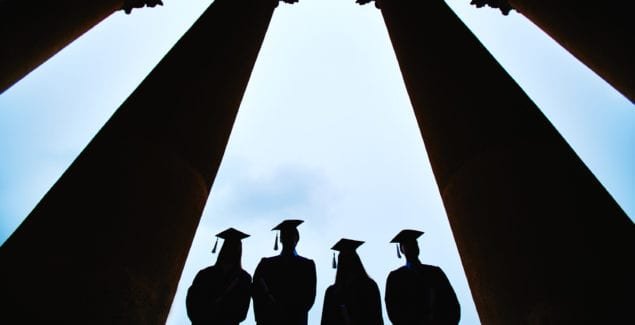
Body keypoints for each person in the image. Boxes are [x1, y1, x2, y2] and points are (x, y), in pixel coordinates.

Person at [385, 229, 460, 325]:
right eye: (407, 244)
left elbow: (451, 303)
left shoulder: (435, 272)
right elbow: (393, 311)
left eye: (414, 243)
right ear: (401, 250)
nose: (412, 247)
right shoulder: (395, 278)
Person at [252, 219, 317, 325]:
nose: (289, 239)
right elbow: (256, 292)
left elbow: (309, 298)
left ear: (297, 238)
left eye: (291, 235)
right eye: (285, 236)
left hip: (296, 319)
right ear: (281, 239)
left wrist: (289, 311)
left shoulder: (307, 265)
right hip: (270, 319)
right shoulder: (266, 264)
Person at [186, 228, 252, 325]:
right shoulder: (205, 274)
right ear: (223, 248)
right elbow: (192, 301)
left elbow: (241, 311)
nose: (231, 249)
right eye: (228, 246)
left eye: (235, 247)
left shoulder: (243, 278)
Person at [321, 238, 383, 325]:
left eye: (349, 258)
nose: (346, 263)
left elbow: (375, 318)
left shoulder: (369, 286)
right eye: (343, 259)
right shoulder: (331, 292)